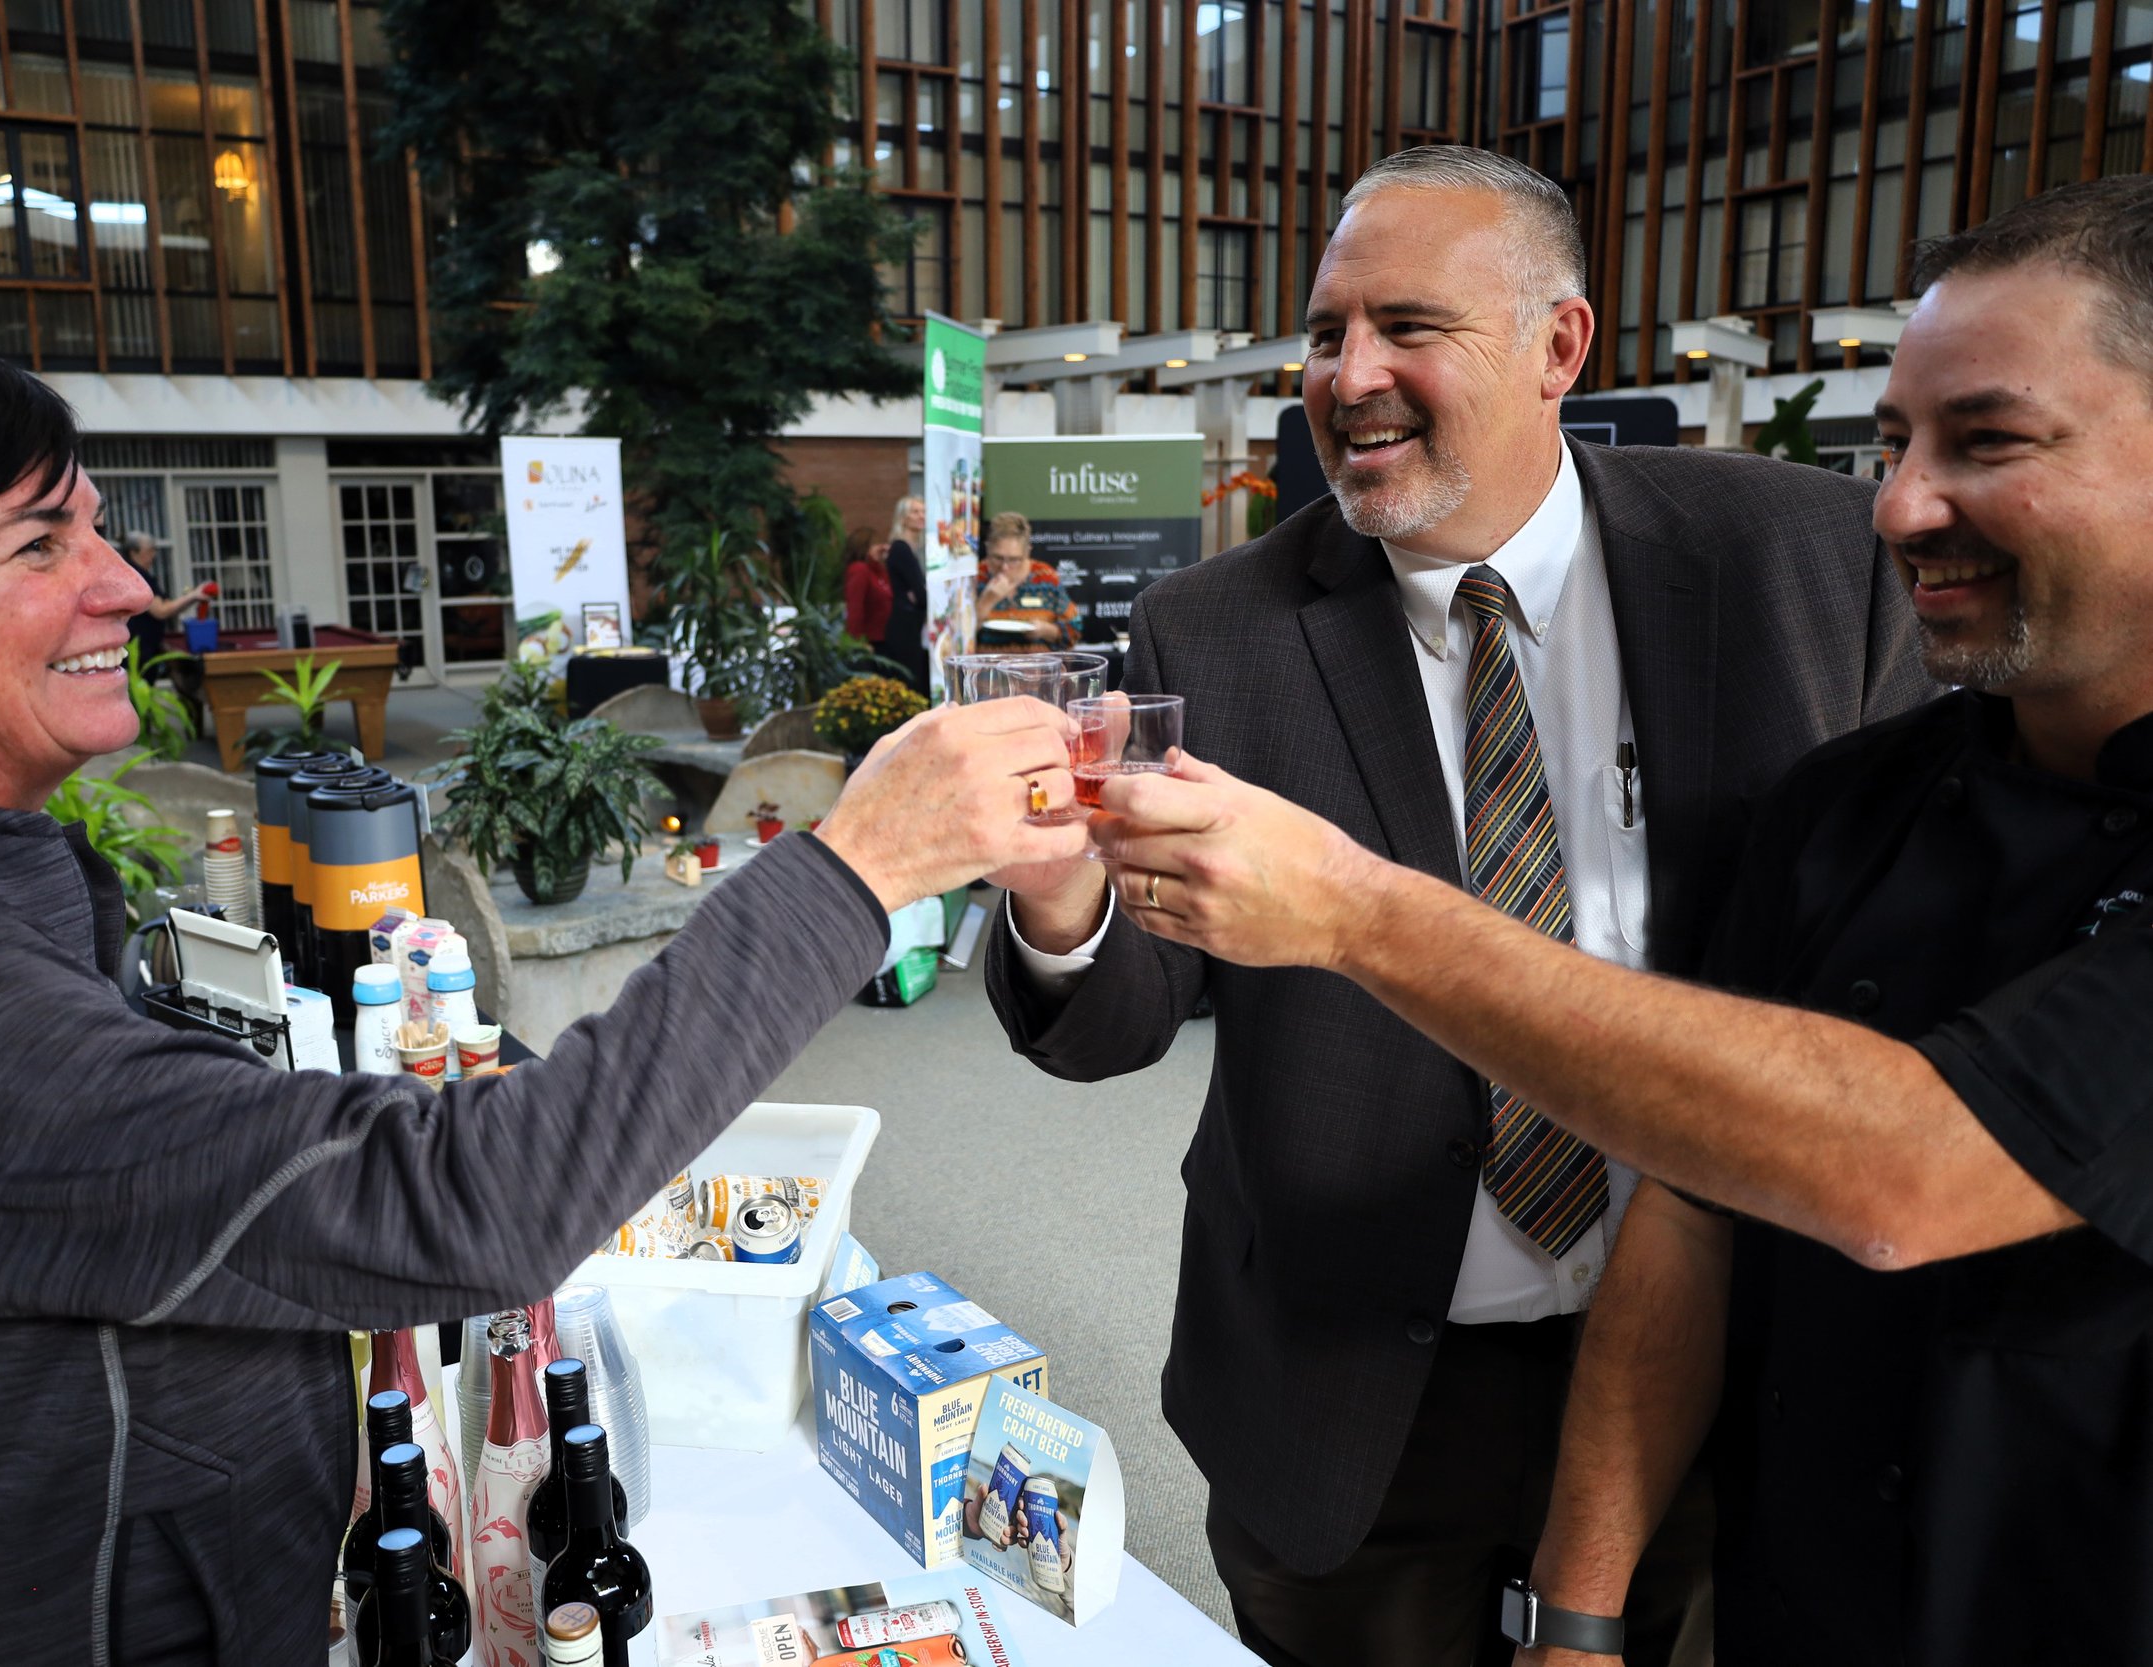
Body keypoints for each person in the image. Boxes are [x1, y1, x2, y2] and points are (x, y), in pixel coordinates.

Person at [0, 331, 1089, 1664]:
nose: (129, 585)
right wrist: (861, 865)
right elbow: (473, 1209)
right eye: (43, 543)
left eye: (97, 524)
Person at [1082, 174, 2153, 1667]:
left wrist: (1355, 913)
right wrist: (1063, 903)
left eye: (1988, 438)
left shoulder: (1804, 558)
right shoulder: (1865, 805)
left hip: (1831, 1467)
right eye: (1325, 332)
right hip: (1378, 1402)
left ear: (1559, 344)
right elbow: (1707, 1195)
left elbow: (1890, 1156)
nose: (1907, 502)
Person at [974, 512, 1082, 649]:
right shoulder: (975, 577)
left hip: (1037, 666)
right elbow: (958, 637)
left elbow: (1074, 629)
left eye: (1013, 559)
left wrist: (1047, 630)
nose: (1004, 567)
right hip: (988, 666)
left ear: (1027, 552)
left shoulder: (1045, 577)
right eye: (997, 558)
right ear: (987, 548)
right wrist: (986, 602)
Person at [121, 528, 211, 672]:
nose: (153, 555)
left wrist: (194, 596)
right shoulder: (134, 574)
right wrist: (193, 596)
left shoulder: (141, 573)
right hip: (138, 653)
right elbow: (160, 611)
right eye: (150, 550)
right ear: (134, 553)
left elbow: (167, 606)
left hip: (147, 649)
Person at [881, 494, 930, 693]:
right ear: (903, 517)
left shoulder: (912, 548)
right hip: (905, 626)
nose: (921, 516)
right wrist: (921, 594)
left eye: (923, 511)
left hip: (911, 623)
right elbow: (920, 594)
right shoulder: (901, 548)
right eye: (915, 511)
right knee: (911, 681)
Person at [843, 523, 893, 649]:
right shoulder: (859, 570)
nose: (880, 548)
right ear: (864, 547)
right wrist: (858, 641)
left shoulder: (878, 571)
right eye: (875, 545)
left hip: (885, 637)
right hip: (870, 641)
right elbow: (855, 607)